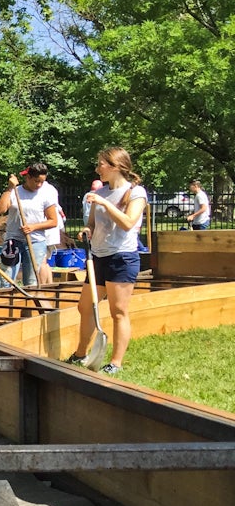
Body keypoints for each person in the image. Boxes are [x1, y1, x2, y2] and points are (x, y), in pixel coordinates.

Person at [64, 146, 148, 375]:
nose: (97, 168)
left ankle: (115, 362)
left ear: (114, 166)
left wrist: (106, 204)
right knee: (85, 307)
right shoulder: (99, 193)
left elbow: (128, 223)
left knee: (118, 310)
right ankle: (81, 353)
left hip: (122, 258)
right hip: (98, 257)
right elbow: (91, 223)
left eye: (100, 164)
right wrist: (86, 230)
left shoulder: (136, 193)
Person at [0, 163, 59, 287]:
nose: (39, 185)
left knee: (31, 281)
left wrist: (33, 227)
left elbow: (53, 221)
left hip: (35, 241)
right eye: (36, 181)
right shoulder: (15, 192)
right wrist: (9, 188)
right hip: (12, 240)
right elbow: (0, 210)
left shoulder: (45, 194)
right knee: (6, 280)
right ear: (28, 177)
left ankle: (29, 305)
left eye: (42, 182)